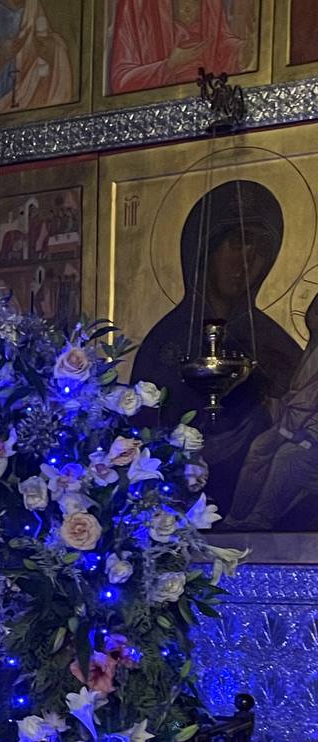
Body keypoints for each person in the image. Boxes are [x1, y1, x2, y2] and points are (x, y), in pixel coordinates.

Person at [130, 180, 302, 516]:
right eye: (237, 245)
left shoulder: (273, 341)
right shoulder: (165, 341)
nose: (247, 263)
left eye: (260, 251)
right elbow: (143, 431)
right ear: (205, 250)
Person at [225, 292, 318, 531]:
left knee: (288, 456)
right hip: (294, 427)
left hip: (311, 438)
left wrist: (306, 434)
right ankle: (236, 518)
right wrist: (271, 403)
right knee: (259, 446)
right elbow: (297, 399)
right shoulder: (314, 352)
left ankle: (260, 519)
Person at [109, 0, 247, 95]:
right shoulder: (136, 5)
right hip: (163, 104)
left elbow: (221, 43)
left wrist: (242, 50)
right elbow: (121, 80)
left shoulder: (210, 3)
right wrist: (169, 65)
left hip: (209, 96)